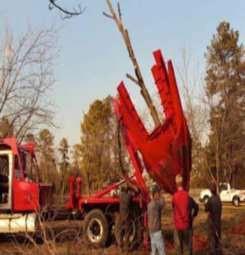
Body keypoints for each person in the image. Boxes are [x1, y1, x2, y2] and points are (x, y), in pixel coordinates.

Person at [172, 174, 190, 255]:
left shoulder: (175, 197)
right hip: (186, 225)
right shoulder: (186, 195)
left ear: (176, 184)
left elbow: (173, 207)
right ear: (182, 183)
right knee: (186, 247)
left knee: (178, 247)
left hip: (178, 225)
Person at [118, 182, 138, 250]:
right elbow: (137, 192)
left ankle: (120, 246)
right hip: (127, 216)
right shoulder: (129, 196)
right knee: (127, 232)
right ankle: (126, 247)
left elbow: (118, 192)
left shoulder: (120, 195)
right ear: (127, 190)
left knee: (121, 231)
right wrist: (131, 186)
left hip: (121, 216)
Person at [147, 184, 166, 255]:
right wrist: (161, 195)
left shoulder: (149, 205)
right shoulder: (156, 204)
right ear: (155, 194)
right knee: (162, 251)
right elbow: (163, 203)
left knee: (153, 251)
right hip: (157, 231)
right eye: (157, 194)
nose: (158, 195)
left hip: (151, 230)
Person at [205, 182, 222, 255]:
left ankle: (213, 252)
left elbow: (206, 209)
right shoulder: (219, 199)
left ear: (210, 190)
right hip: (218, 221)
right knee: (217, 239)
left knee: (212, 240)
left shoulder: (210, 199)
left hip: (212, 222)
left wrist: (206, 204)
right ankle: (218, 251)